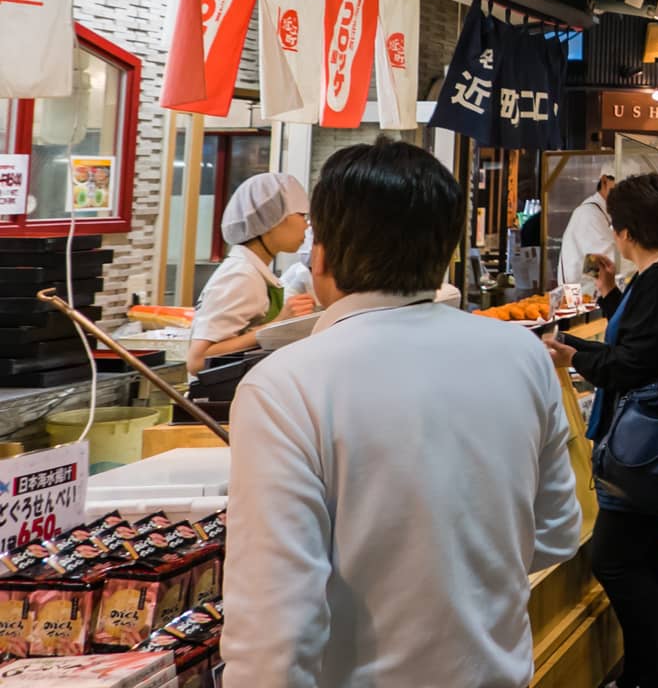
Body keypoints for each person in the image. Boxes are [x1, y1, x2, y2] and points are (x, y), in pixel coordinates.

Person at [225, 140, 581, 688]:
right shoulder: (522, 355)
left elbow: (275, 627)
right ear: (443, 252)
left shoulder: (282, 386)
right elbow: (557, 533)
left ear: (322, 256)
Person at [542, 173, 658, 688]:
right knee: (642, 558)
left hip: (642, 451)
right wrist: (610, 294)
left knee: (612, 559)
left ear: (626, 232)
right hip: (656, 448)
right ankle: (648, 668)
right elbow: (643, 344)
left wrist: (574, 353)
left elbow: (629, 365)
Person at [189, 172, 317, 376]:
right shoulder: (241, 275)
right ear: (272, 218)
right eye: (301, 215)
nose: (306, 225)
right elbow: (198, 360)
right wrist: (278, 325)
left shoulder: (253, 270)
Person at [558, 172, 617, 291]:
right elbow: (609, 258)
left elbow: (594, 262)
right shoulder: (588, 214)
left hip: (592, 293)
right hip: (581, 297)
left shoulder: (604, 212)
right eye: (622, 185)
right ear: (605, 181)